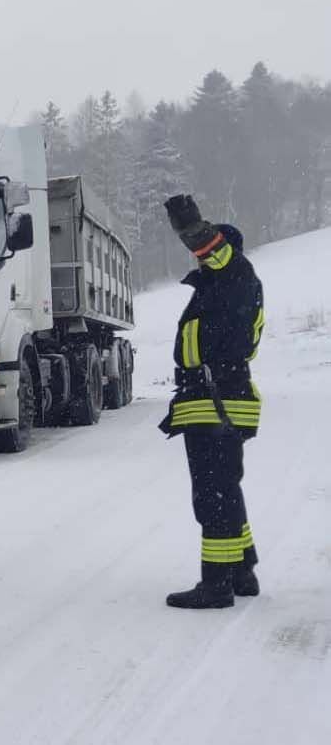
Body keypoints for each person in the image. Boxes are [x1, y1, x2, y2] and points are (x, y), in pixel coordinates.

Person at [159, 195, 265, 609]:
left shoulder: (235, 272)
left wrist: (190, 225)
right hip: (218, 394)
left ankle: (216, 584)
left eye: (211, 251)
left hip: (214, 397)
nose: (202, 259)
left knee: (212, 495)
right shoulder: (226, 285)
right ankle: (242, 569)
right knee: (225, 489)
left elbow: (213, 249)